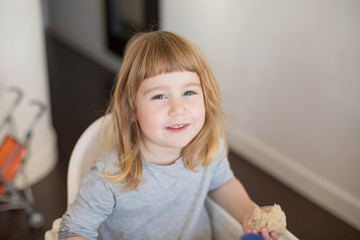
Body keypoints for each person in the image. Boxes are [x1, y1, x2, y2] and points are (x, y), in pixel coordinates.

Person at [59, 30, 280, 240]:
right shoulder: (110, 175)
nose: (178, 108)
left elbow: (222, 183)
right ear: (131, 109)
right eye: (159, 96)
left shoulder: (207, 148)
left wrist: (249, 212)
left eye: (189, 92)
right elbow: (74, 229)